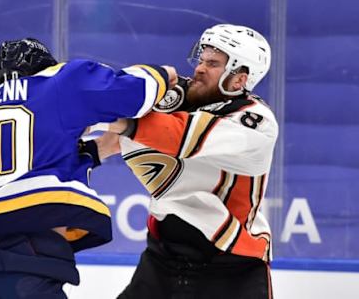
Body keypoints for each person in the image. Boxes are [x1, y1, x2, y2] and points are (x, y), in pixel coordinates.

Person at [0, 37, 177, 299]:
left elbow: (28, 160)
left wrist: (94, 152)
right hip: (27, 254)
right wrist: (162, 74)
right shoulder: (58, 81)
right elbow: (134, 91)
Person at [102, 24, 277, 298]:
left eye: (213, 64)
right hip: (164, 257)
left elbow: (177, 136)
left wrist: (108, 115)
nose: (199, 68)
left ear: (239, 80)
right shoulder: (186, 94)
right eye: (201, 59)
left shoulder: (255, 122)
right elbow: (124, 129)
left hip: (231, 267)